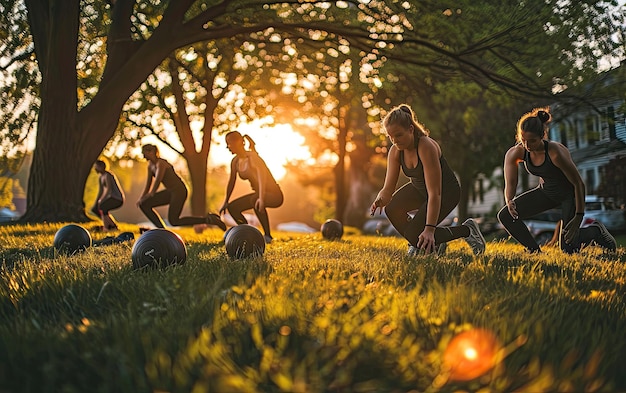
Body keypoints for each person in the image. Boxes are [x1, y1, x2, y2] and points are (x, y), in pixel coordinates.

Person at [370, 104, 486, 256]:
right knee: (391, 208)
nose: (394, 141)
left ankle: (467, 230)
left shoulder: (426, 146)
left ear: (411, 129)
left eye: (398, 135)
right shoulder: (395, 151)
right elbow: (388, 189)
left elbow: (435, 193)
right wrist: (380, 199)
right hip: (420, 191)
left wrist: (430, 229)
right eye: (391, 136)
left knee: (416, 232)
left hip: (445, 193)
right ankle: (423, 243)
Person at [497, 107, 616, 253]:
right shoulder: (516, 152)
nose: (527, 146)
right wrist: (509, 200)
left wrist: (578, 217)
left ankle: (596, 231)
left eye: (532, 141)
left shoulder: (555, 152)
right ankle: (534, 251)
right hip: (546, 193)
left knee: (568, 248)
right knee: (505, 215)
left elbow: (578, 183)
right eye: (523, 140)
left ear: (542, 135)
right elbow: (511, 182)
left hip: (569, 195)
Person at [137, 144, 226, 231]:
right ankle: (162, 230)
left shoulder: (161, 163)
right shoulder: (150, 166)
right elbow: (148, 184)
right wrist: (141, 198)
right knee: (144, 204)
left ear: (151, 152)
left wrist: (150, 194)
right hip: (170, 191)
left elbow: (157, 181)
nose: (143, 156)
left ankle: (208, 219)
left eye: (144, 153)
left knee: (174, 221)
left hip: (179, 190)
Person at [219, 131, 284, 243]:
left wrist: (261, 198)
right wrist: (226, 201)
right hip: (258, 194)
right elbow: (231, 181)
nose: (227, 147)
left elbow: (262, 178)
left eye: (229, 143)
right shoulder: (235, 162)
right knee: (232, 207)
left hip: (275, 195)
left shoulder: (253, 157)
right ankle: (247, 232)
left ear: (239, 142)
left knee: (255, 200)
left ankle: (268, 236)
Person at [91, 159, 124, 231]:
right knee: (95, 209)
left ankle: (106, 227)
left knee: (103, 207)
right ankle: (112, 225)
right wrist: (97, 202)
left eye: (96, 167)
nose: (95, 168)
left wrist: (101, 200)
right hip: (111, 197)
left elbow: (109, 189)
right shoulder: (101, 177)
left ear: (101, 167)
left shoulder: (108, 175)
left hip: (117, 198)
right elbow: (101, 191)